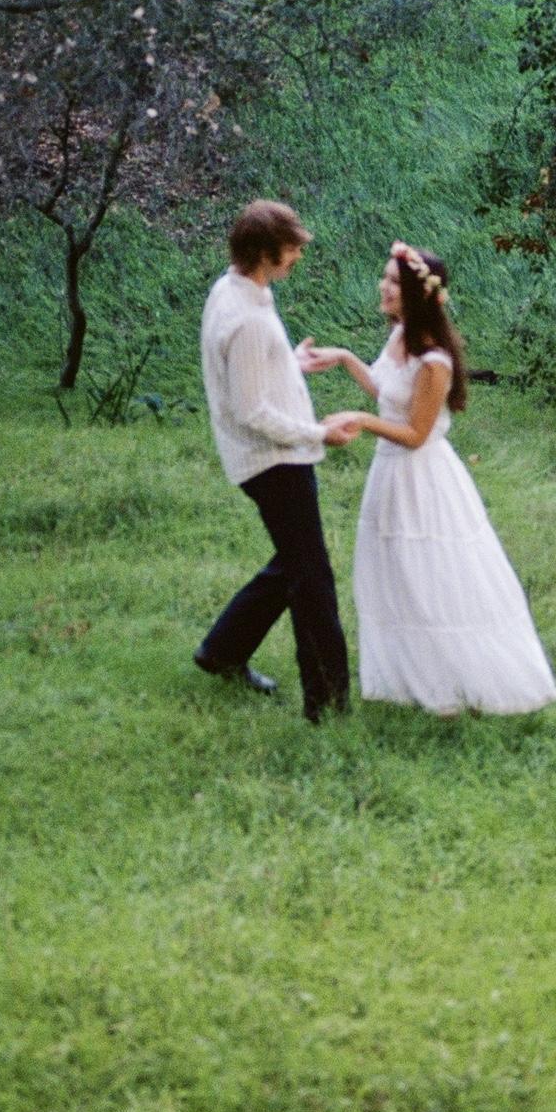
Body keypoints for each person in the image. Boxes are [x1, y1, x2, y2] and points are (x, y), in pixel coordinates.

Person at [304, 241, 556, 716]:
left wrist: (360, 420)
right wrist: (343, 358)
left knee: (432, 574)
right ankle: (413, 676)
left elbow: (416, 433)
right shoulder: (400, 335)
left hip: (423, 478)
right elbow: (386, 392)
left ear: (419, 294)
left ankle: (453, 683)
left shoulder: (434, 361)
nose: (383, 287)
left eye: (394, 282)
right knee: (397, 573)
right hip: (389, 473)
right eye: (384, 278)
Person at [195, 199, 358, 723]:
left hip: (272, 457)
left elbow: (249, 376)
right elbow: (252, 410)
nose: (298, 257)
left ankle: (222, 650)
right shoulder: (245, 317)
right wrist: (319, 433)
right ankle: (326, 704)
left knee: (294, 562)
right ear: (265, 252)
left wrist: (289, 364)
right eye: (291, 249)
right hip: (273, 463)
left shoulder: (237, 289)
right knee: (312, 579)